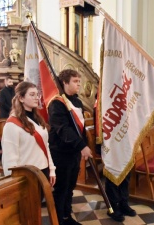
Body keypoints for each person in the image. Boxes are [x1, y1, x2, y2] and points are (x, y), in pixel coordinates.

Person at [48, 69, 92, 225]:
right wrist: (81, 145)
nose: (79, 84)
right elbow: (63, 129)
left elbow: (80, 129)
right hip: (61, 152)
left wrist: (84, 145)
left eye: (79, 81)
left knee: (70, 186)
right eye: (75, 81)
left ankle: (67, 216)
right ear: (65, 83)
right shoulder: (57, 103)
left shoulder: (77, 102)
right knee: (61, 188)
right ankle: (58, 220)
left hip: (74, 153)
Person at [1, 81, 56, 191]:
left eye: (37, 94)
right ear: (21, 98)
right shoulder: (12, 124)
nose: (36, 98)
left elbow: (46, 146)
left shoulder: (38, 119)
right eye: (32, 95)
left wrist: (51, 169)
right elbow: (9, 158)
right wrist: (13, 182)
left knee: (38, 206)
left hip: (43, 170)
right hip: (26, 174)